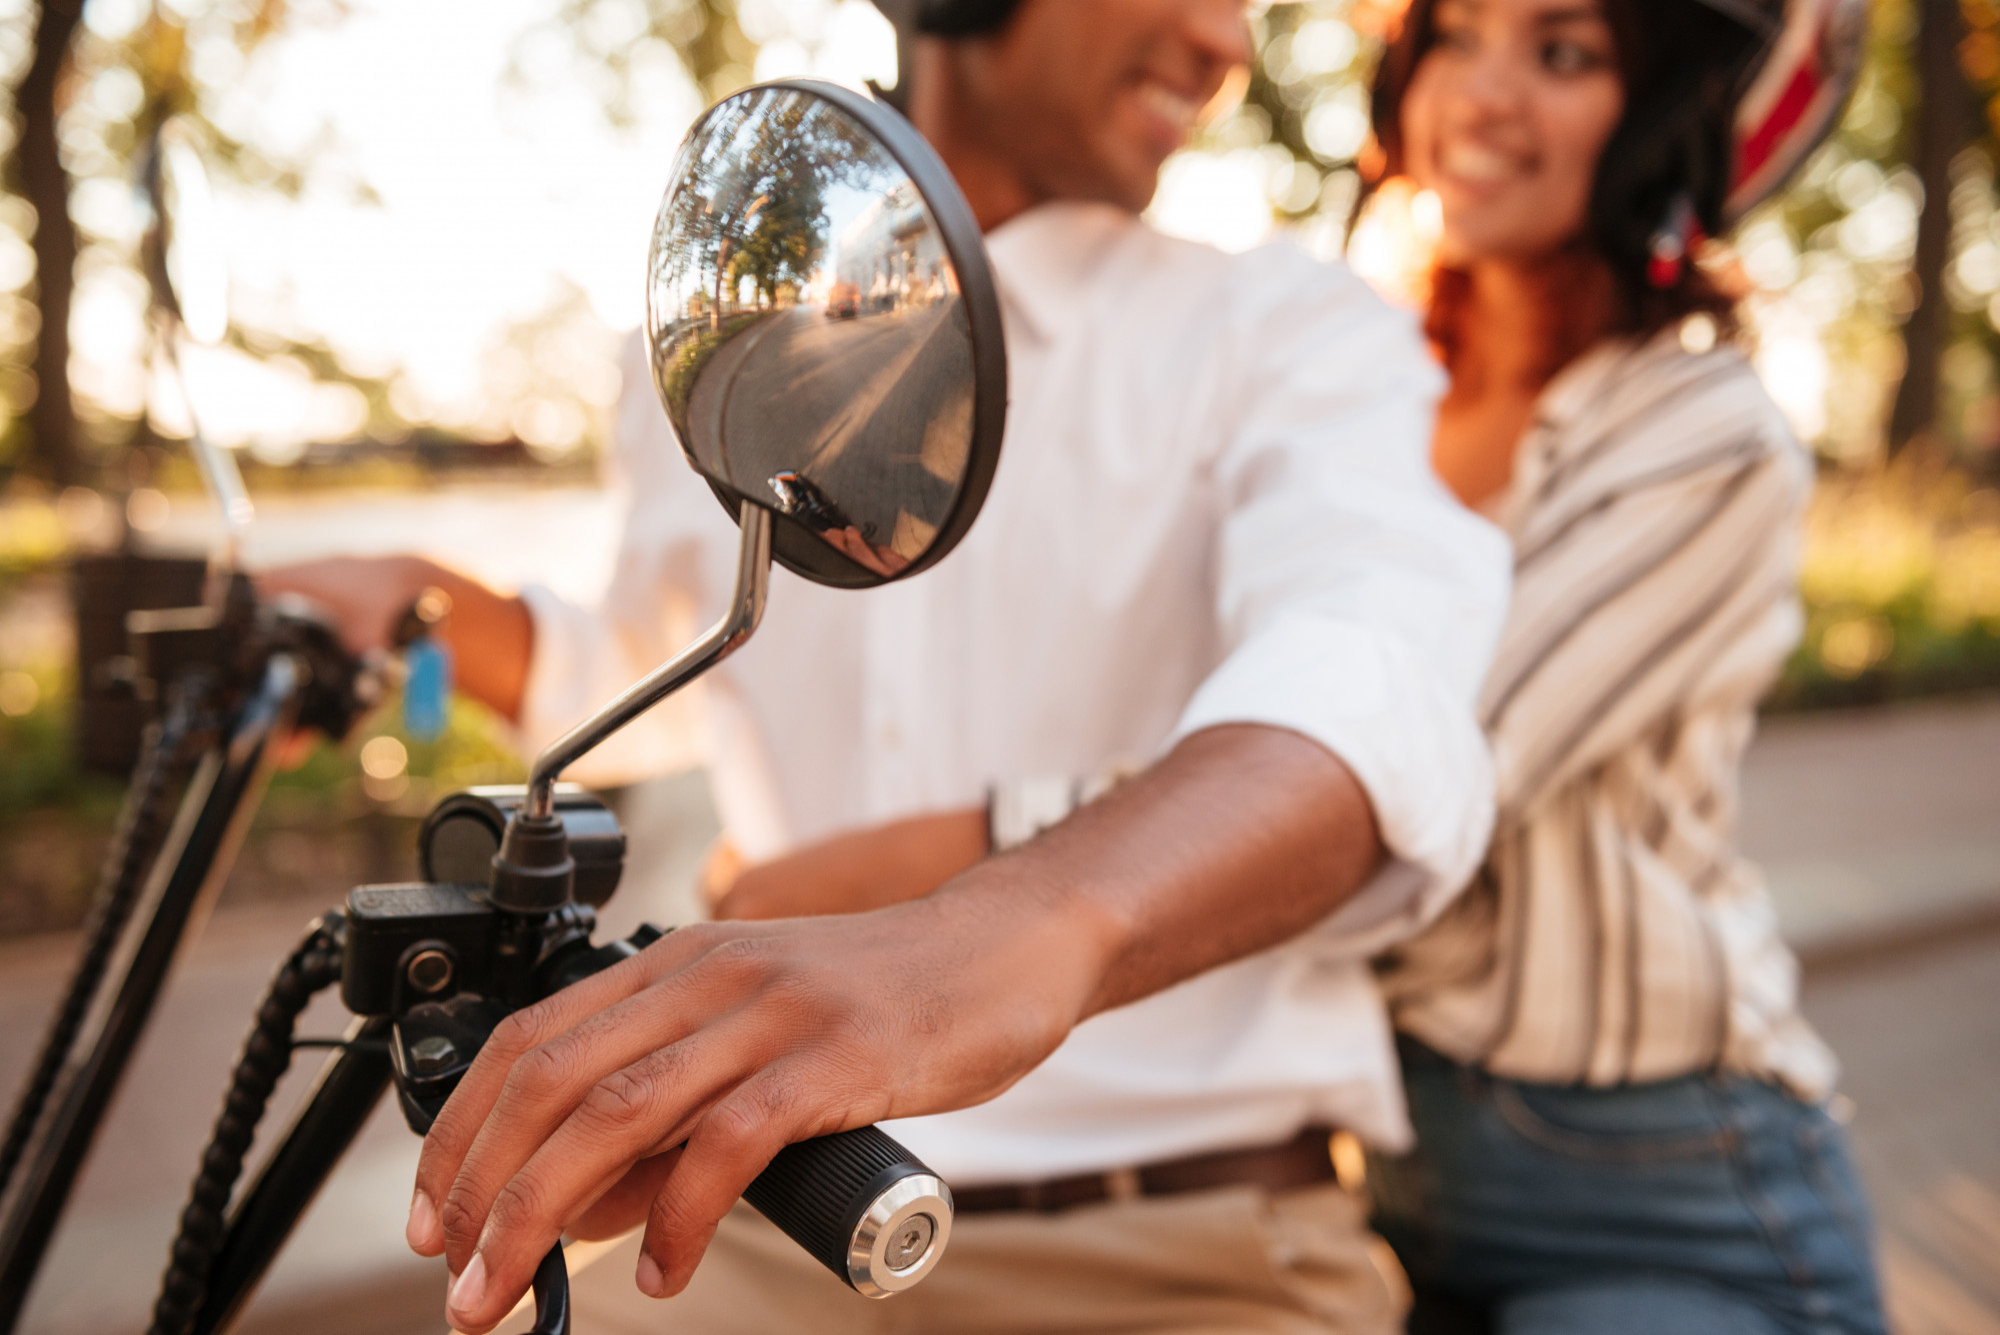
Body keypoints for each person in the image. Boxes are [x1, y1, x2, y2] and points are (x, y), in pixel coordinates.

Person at [262, 0, 1511, 1331]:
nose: (1223, 42)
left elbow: (1365, 696)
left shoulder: (1289, 333)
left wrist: (975, 939)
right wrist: (424, 602)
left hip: (1182, 1252)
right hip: (744, 1228)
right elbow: (643, 660)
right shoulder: (709, 351)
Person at [719, 0, 1893, 1330]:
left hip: (1651, 1181)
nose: (1483, 97)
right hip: (1386, 1176)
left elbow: (1419, 745)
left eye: (1563, 54)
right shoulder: (1379, 369)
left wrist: (914, 866)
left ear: (1661, 120)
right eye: (1456, 37)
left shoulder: (1698, 428)